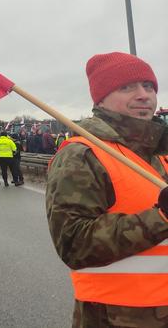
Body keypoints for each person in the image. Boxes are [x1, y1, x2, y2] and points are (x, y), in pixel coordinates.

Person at [46, 52, 168, 327]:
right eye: (127, 87)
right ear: (100, 98)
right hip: (117, 317)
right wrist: (160, 217)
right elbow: (73, 245)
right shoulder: (82, 154)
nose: (143, 95)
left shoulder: (159, 154)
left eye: (148, 86)